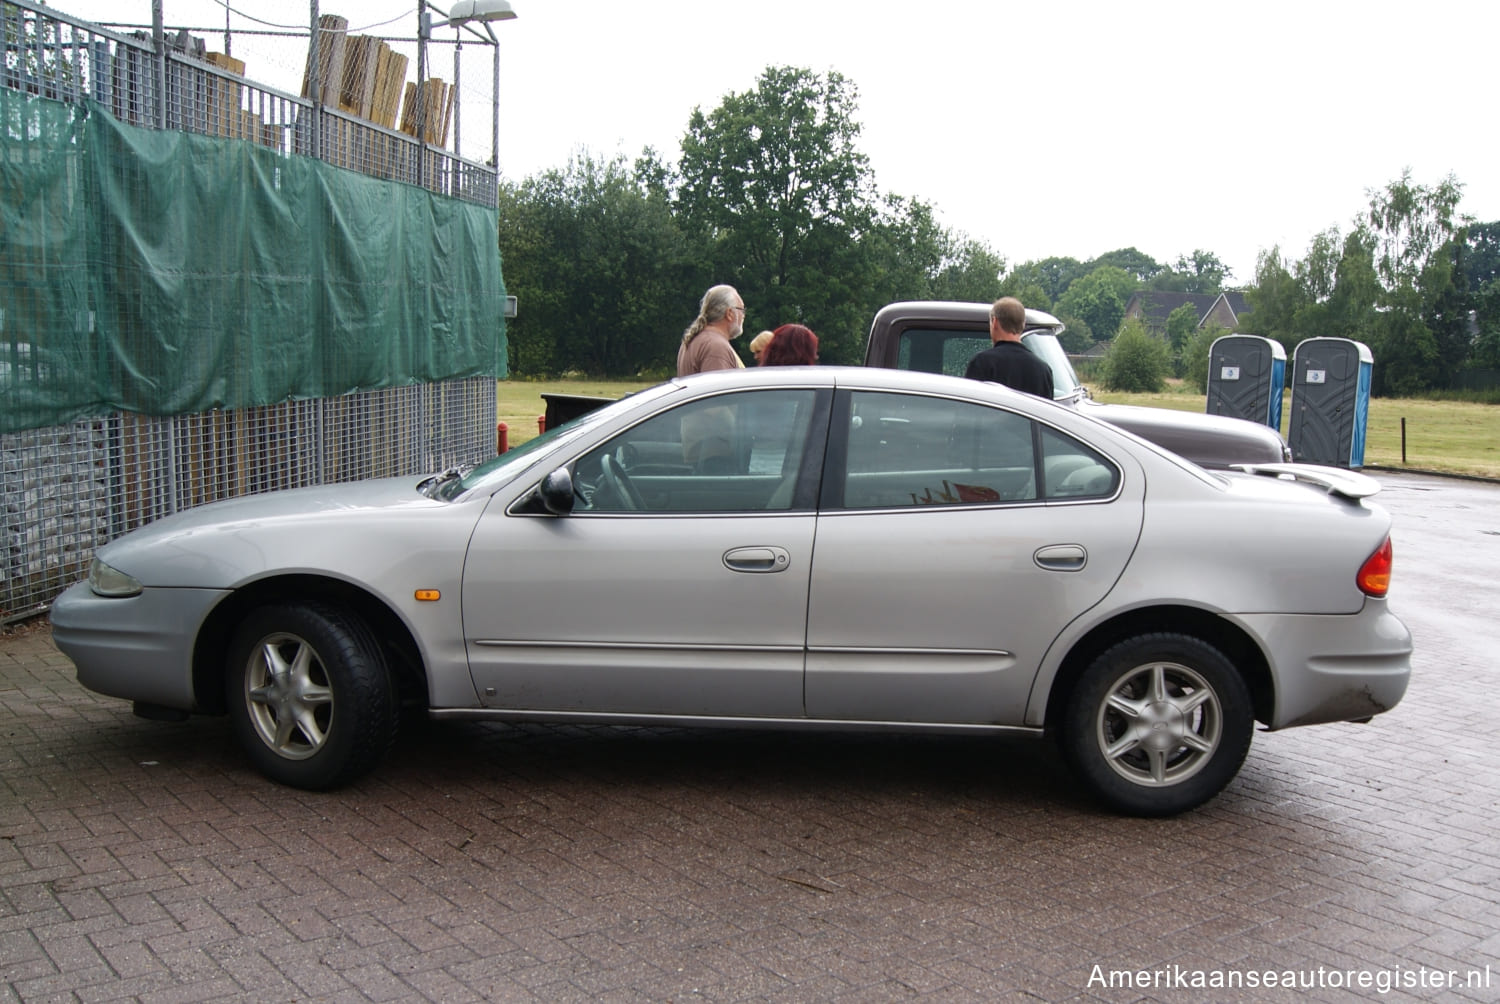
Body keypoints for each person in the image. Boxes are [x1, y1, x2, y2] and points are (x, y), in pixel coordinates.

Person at [963, 296, 1054, 399]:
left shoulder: (982, 363)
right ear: (1023, 324)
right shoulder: (1043, 370)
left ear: (995, 322)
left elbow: (969, 408)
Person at [677, 285, 747, 376]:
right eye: (741, 310)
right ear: (729, 314)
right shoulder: (716, 346)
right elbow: (720, 389)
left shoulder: (697, 338)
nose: (744, 315)